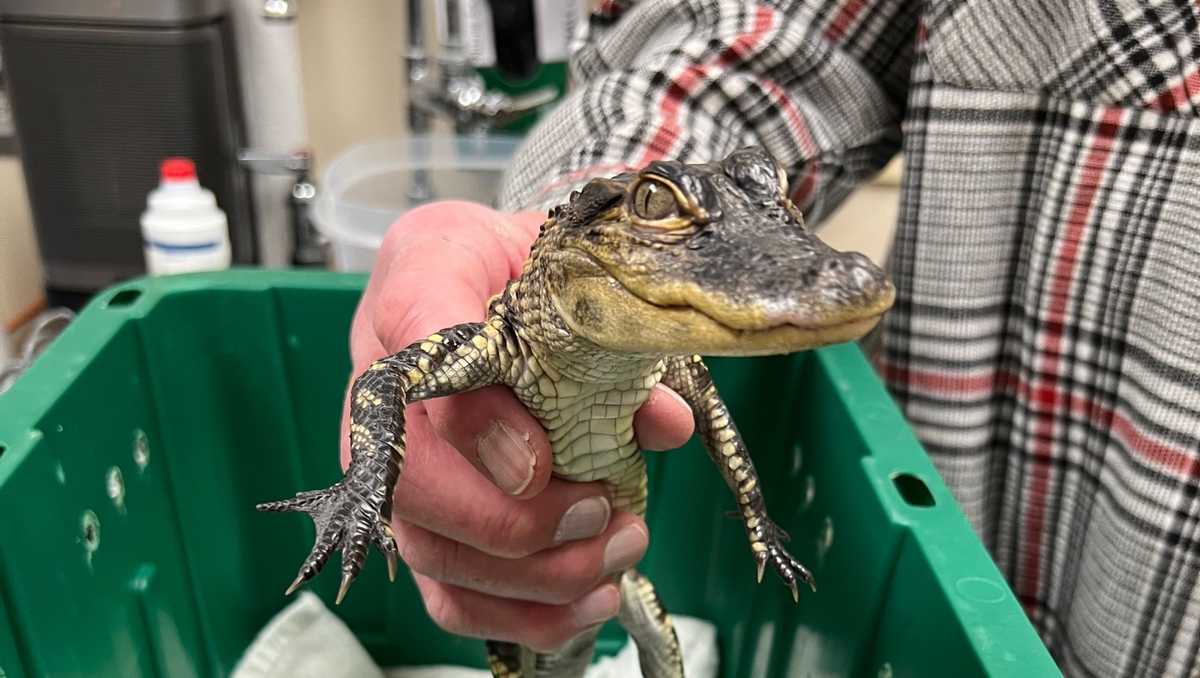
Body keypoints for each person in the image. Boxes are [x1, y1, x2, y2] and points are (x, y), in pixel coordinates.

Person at [351, 2, 1200, 676]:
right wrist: (363, 497)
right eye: (657, 212)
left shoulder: (675, 357)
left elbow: (715, 419)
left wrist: (758, 520)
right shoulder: (528, 324)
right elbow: (773, 41)